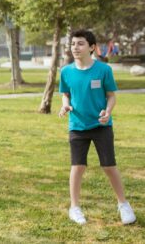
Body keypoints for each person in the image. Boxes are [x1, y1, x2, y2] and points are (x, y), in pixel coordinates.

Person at [59, 29, 136, 225]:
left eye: (80, 43)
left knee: (109, 166)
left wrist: (108, 112)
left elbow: (111, 96)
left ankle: (123, 205)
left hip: (101, 125)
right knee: (77, 166)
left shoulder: (103, 70)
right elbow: (65, 93)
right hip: (77, 126)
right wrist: (65, 105)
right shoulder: (66, 71)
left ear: (92, 47)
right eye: (73, 43)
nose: (75, 47)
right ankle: (74, 208)